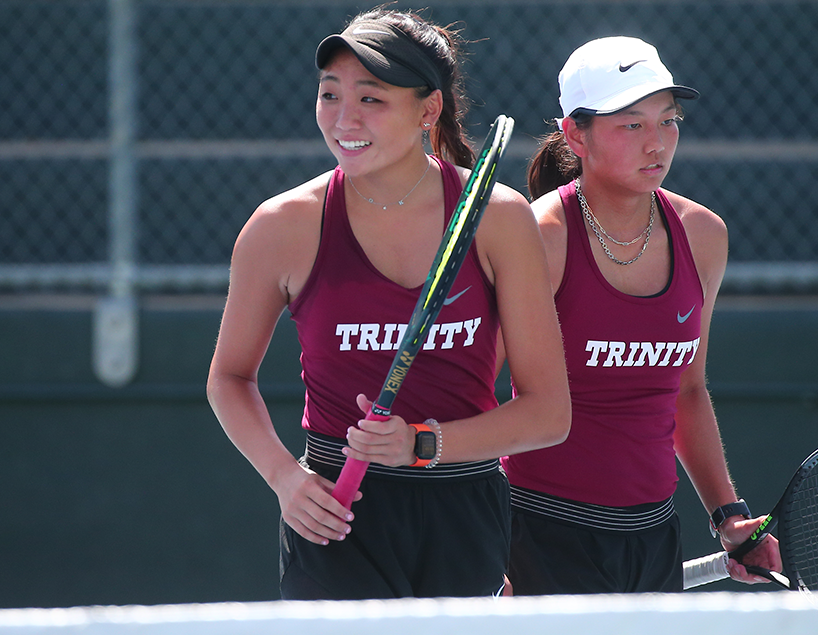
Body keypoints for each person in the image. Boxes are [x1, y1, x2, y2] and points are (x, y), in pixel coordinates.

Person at [206, 9, 570, 600]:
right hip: (332, 509)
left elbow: (549, 414)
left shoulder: (499, 218)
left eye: (371, 99)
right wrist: (284, 479)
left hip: (462, 511)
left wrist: (422, 444)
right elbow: (227, 377)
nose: (343, 118)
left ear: (428, 110)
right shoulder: (280, 226)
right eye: (330, 95)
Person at [501, 36, 782, 594]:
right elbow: (477, 393)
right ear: (575, 133)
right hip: (536, 534)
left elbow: (687, 392)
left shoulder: (703, 235)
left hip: (655, 533)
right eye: (631, 125)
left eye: (669, 120)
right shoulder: (539, 235)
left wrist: (729, 516)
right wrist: (486, 543)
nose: (658, 142)